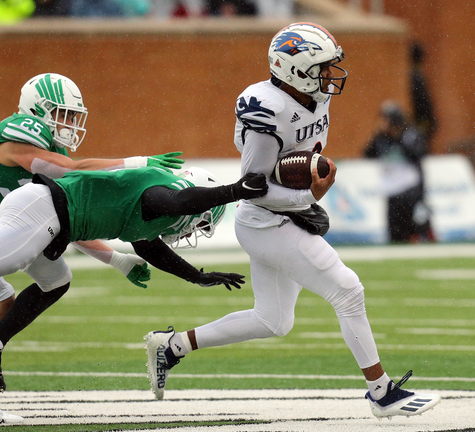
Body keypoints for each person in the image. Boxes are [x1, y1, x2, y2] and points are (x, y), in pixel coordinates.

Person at [143, 22, 441, 420]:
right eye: (320, 67)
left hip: (283, 216)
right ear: (294, 70)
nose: (329, 75)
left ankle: (172, 346)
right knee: (347, 289)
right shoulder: (267, 108)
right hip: (264, 221)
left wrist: (302, 196)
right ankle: (380, 392)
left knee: (273, 320)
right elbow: (252, 186)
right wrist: (305, 197)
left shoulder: (311, 95)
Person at [0, 72, 185, 424]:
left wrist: (116, 260)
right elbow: (71, 169)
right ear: (35, 110)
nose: (68, 123)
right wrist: (134, 163)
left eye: (72, 116)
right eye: (61, 113)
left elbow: (67, 214)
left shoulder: (46, 150)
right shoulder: (23, 130)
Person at [0, 166, 270, 394]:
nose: (194, 230)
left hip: (51, 219)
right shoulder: (161, 192)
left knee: (56, 281)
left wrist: (198, 277)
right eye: (202, 220)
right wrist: (234, 192)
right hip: (41, 208)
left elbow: (151, 249)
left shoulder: (153, 208)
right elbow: (177, 204)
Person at [363, 101, 432, 243]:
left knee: (416, 229)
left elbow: (418, 153)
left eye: (386, 119)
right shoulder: (381, 138)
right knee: (395, 235)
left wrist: (397, 137)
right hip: (391, 190)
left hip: (410, 189)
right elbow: (368, 154)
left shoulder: (410, 134)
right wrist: (378, 135)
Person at [409, 41, 437, 141]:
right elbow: (423, 101)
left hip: (419, 123)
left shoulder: (413, 77)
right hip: (421, 122)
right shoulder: (416, 77)